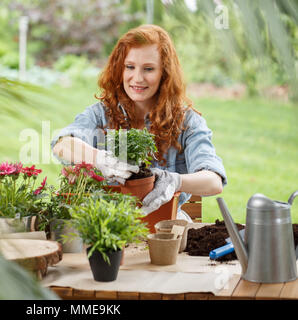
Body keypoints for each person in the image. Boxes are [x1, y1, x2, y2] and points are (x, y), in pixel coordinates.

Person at [50, 25, 227, 222]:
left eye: (149, 69)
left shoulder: (187, 122)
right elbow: (62, 144)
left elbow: (213, 181)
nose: (137, 78)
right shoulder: (101, 114)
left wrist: (173, 180)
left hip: (163, 224)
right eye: (130, 67)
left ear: (164, 73)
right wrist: (101, 159)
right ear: (120, 69)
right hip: (108, 226)